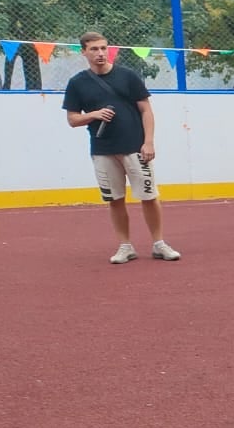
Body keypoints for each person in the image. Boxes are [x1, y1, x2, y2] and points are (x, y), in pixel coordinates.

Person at [60, 31, 181, 264]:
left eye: (103, 48)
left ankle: (159, 243)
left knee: (149, 195)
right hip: (102, 149)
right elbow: (73, 119)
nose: (100, 53)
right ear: (83, 52)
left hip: (135, 147)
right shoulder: (77, 83)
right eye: (94, 49)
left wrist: (148, 141)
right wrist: (93, 115)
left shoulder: (128, 76)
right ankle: (125, 246)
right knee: (114, 199)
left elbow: (146, 110)